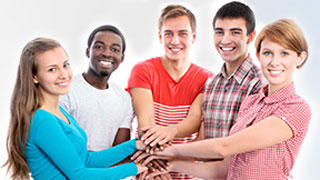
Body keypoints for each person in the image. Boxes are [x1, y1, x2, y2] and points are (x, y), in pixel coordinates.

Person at [151, 19, 311, 180]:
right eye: (268, 53)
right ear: (258, 55)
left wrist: (170, 150)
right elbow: (222, 170)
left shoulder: (296, 108)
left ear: (300, 58)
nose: (274, 62)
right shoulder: (250, 103)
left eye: (284, 53)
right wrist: (169, 164)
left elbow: (224, 147)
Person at [4, 38, 147, 180]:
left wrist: (134, 145)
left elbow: (87, 159)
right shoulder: (43, 120)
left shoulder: (59, 112)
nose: (63, 75)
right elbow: (80, 175)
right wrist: (134, 168)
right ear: (34, 77)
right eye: (52, 69)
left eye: (65, 65)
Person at [127, 4, 213, 179]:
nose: (175, 41)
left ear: (193, 37)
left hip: (186, 169)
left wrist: (170, 135)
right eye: (168, 34)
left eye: (182, 34)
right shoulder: (143, 70)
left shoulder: (207, 79)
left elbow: (194, 121)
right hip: (148, 169)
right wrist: (155, 168)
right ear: (160, 37)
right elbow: (146, 125)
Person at [60, 25, 133, 151]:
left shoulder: (124, 98)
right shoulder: (65, 90)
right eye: (99, 47)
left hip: (106, 170)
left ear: (122, 58)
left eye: (115, 49)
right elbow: (61, 147)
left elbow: (120, 152)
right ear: (88, 52)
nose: (106, 53)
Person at [200, 1, 263, 140]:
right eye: (219, 32)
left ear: (250, 37)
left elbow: (249, 146)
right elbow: (202, 138)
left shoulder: (260, 85)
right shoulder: (211, 83)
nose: (225, 40)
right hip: (203, 162)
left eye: (235, 32)